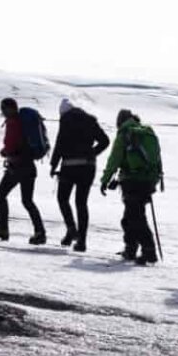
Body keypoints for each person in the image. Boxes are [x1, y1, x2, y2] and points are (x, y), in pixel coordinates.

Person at [100, 109, 162, 265]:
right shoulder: (147, 133)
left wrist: (105, 180)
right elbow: (157, 159)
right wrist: (154, 181)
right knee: (130, 217)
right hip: (148, 180)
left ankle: (149, 251)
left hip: (132, 180)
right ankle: (131, 249)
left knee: (135, 217)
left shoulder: (125, 134)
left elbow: (114, 159)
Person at [51, 97, 110, 252]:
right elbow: (105, 141)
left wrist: (53, 165)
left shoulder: (66, 120)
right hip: (88, 167)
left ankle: (71, 229)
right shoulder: (90, 120)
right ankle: (82, 241)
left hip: (69, 166)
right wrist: (91, 154)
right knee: (81, 203)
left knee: (62, 199)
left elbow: (59, 144)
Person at [0, 96, 47, 245]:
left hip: (17, 167)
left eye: (3, 109)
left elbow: (11, 143)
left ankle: (3, 229)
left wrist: (5, 152)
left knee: (1, 194)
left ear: (8, 109)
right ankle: (40, 232)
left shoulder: (14, 122)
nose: (2, 112)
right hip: (29, 167)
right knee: (27, 201)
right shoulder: (22, 121)